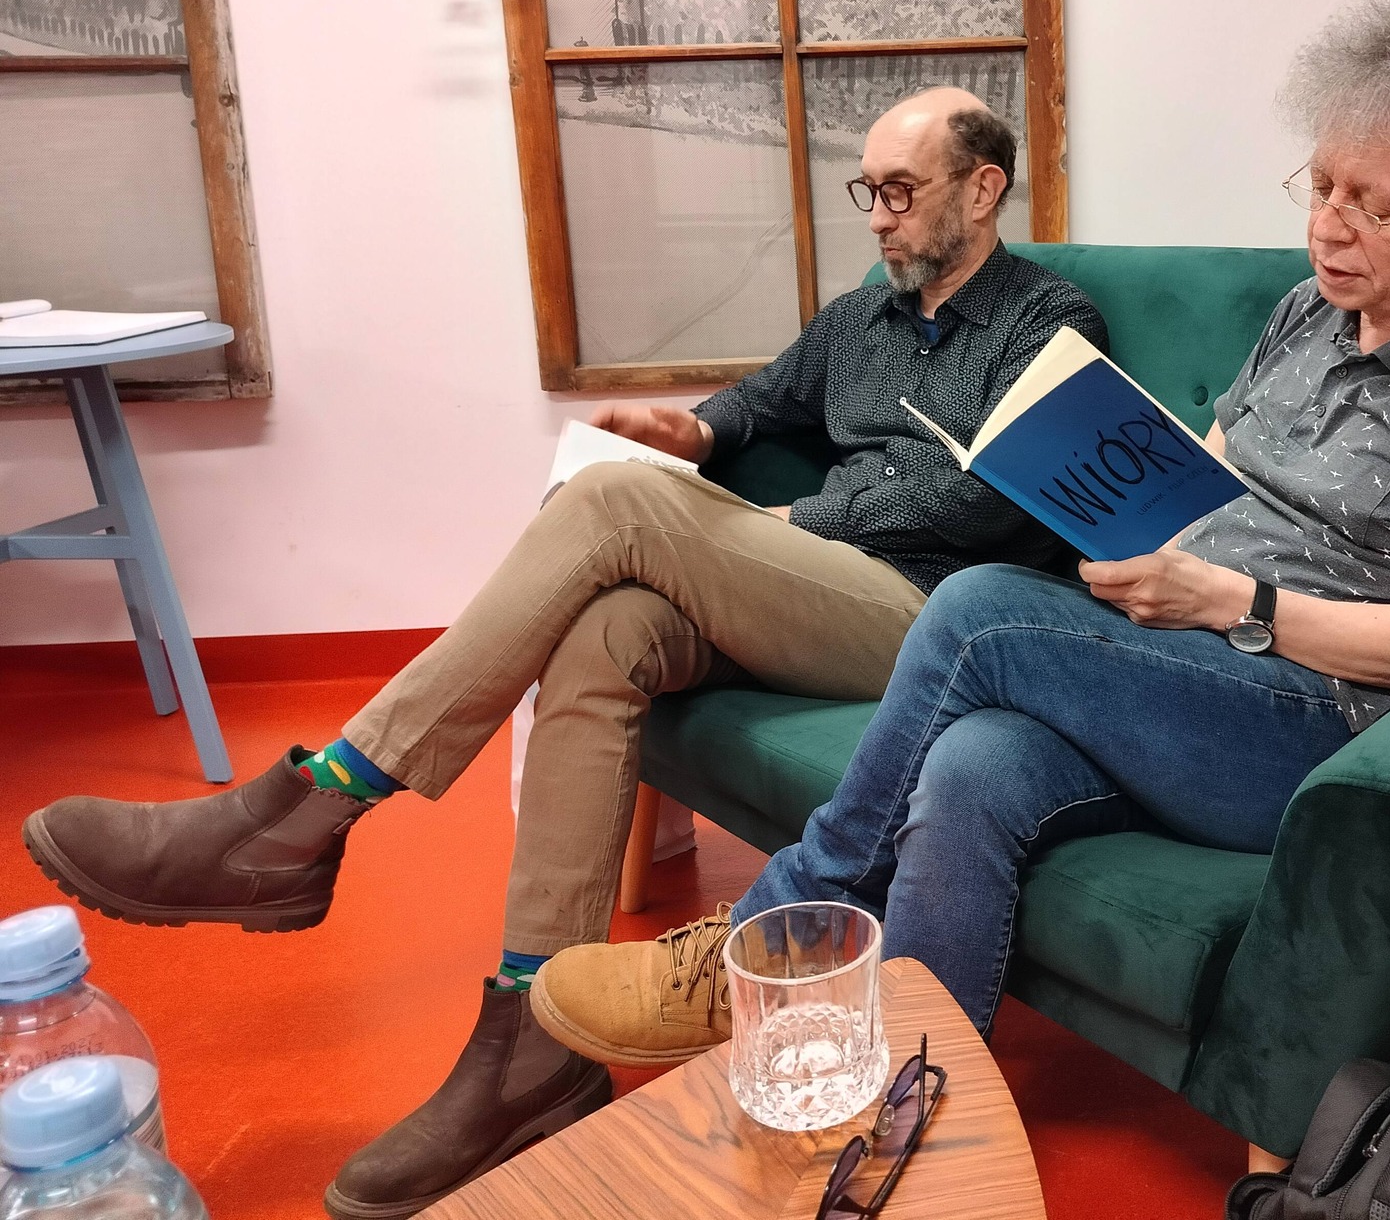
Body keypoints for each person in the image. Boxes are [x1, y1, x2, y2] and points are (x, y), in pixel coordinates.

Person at [19, 87, 1107, 1220]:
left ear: (982, 189)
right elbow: (750, 409)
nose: (876, 216)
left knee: (614, 505)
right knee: (606, 630)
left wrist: (792, 521)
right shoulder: (859, 320)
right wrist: (690, 430)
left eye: (901, 192)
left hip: (933, 618)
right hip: (807, 592)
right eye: (866, 191)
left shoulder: (1048, 322)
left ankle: (312, 802)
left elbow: (998, 497)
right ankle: (534, 1039)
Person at [527, 0, 1390, 1064]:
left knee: (981, 610)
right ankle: (916, 1095)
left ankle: (772, 939)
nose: (1327, 227)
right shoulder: (1310, 310)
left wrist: (1234, 600)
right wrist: (1137, 527)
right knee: (974, 764)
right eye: (1322, 185)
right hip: (1186, 664)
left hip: (1326, 723)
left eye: (1374, 208)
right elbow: (1214, 469)